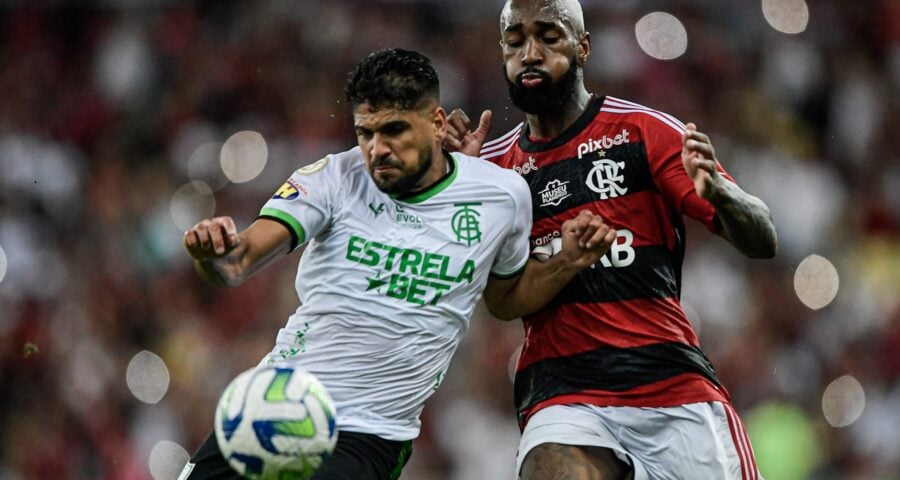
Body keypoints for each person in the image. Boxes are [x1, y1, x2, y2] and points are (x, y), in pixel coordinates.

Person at [178, 47, 616, 480]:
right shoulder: (335, 177)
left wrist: (567, 262)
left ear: (436, 122)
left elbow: (503, 300)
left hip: (369, 435)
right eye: (365, 133)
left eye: (393, 130)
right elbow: (237, 263)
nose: (376, 149)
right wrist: (215, 253)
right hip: (274, 400)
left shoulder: (501, 197)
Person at [443, 1, 779, 479]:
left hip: (670, 387)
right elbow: (496, 300)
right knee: (549, 469)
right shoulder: (491, 168)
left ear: (583, 47)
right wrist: (458, 192)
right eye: (515, 42)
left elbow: (762, 238)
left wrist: (722, 194)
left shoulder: (645, 132)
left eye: (548, 37)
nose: (531, 53)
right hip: (563, 394)